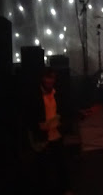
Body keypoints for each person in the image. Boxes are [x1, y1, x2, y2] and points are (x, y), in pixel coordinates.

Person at [25, 67, 73, 195]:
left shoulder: (57, 93)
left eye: (52, 78)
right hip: (42, 136)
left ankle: (65, 189)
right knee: (43, 166)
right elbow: (28, 116)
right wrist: (38, 126)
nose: (50, 81)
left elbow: (63, 111)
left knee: (61, 163)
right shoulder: (35, 96)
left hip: (56, 133)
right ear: (43, 79)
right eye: (47, 78)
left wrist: (61, 122)